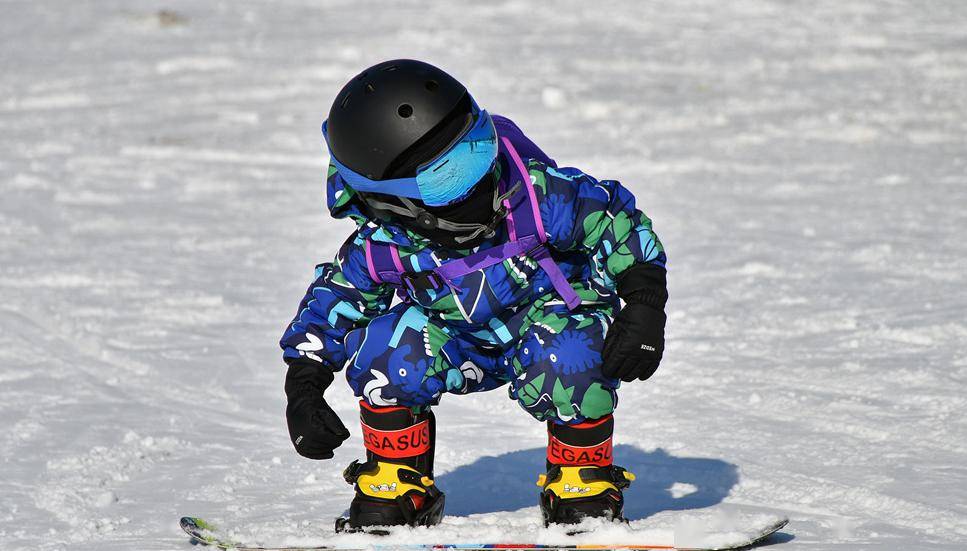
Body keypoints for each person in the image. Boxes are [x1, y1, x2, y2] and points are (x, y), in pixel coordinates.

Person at [280, 59, 667, 531]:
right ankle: (396, 483)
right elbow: (335, 299)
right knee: (384, 346)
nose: (483, 180)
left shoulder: (532, 196)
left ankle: (581, 479)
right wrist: (304, 383)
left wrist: (644, 306)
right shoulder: (384, 244)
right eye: (452, 177)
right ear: (395, 202)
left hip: (543, 322)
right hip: (456, 341)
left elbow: (614, 221)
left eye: (478, 148)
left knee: (572, 347)